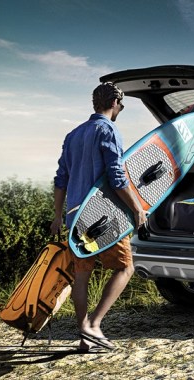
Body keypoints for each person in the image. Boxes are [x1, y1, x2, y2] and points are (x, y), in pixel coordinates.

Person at [50, 82, 147, 352]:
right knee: (125, 267)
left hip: (74, 218)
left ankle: (84, 338)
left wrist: (57, 215)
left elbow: (61, 178)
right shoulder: (109, 130)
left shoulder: (73, 135)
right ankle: (94, 325)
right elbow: (117, 178)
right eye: (121, 105)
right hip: (103, 217)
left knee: (82, 275)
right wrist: (137, 208)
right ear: (115, 103)